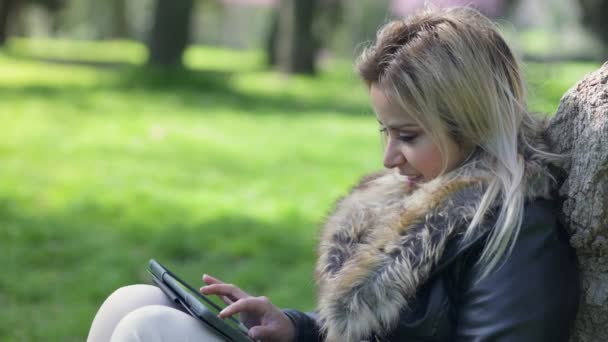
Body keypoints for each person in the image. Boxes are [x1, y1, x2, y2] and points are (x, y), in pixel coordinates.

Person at [87, 6, 580, 342]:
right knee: (131, 300)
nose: (389, 158)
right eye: (384, 132)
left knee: (151, 328)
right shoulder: (418, 198)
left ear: (469, 121)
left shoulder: (517, 232)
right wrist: (296, 329)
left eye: (408, 136)